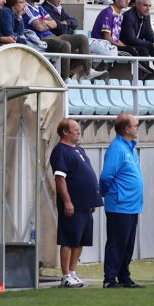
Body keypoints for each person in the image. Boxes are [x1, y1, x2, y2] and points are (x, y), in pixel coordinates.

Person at [50, 118, 100, 287]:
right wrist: (67, 201)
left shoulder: (78, 149)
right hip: (73, 204)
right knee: (69, 239)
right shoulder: (61, 151)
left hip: (85, 203)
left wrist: (91, 199)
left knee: (80, 240)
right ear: (65, 132)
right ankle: (65, 276)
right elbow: (60, 178)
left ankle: (73, 271)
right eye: (75, 129)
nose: (79, 132)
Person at [99, 114, 144, 288]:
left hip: (132, 205)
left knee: (127, 244)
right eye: (136, 125)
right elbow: (106, 176)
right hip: (120, 205)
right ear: (126, 128)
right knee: (117, 244)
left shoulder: (129, 148)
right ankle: (110, 279)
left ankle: (124, 275)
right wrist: (104, 193)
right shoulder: (117, 148)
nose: (137, 128)